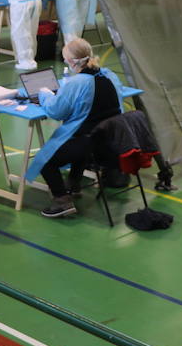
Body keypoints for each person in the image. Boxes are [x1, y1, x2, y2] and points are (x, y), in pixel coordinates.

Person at [24, 38, 124, 219]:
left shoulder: (77, 83)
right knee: (79, 146)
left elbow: (56, 111)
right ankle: (74, 185)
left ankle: (62, 202)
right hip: (110, 139)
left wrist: (45, 94)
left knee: (46, 161)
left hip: (91, 142)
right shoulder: (108, 75)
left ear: (71, 61)